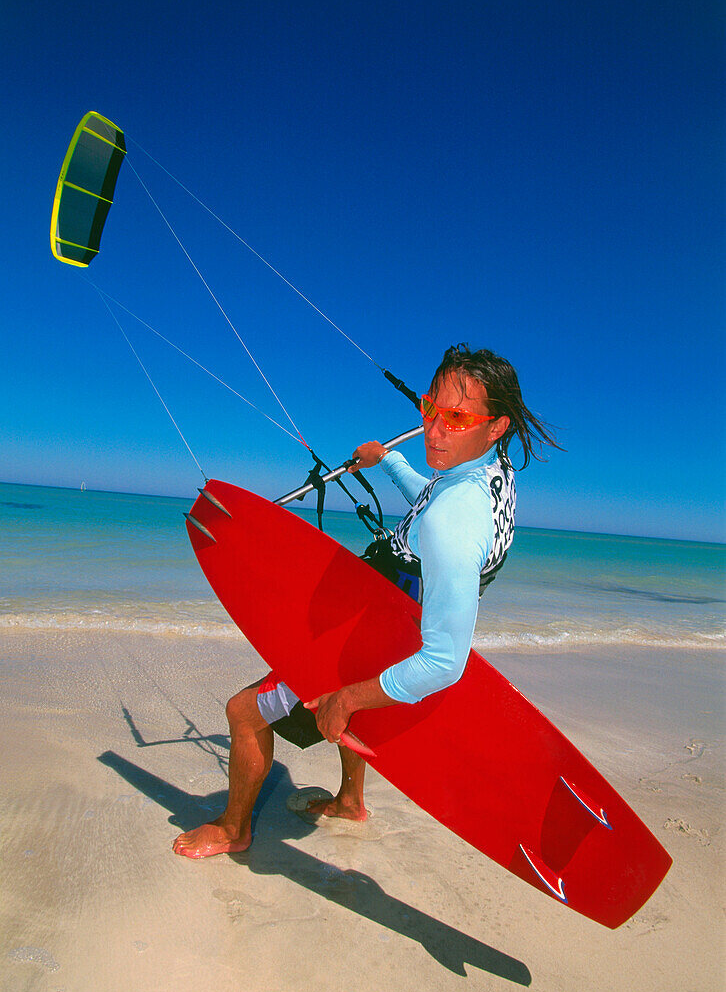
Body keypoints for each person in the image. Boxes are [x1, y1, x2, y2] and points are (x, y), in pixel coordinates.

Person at [172, 344, 558, 858]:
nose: (434, 431)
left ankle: (234, 828)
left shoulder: (455, 522)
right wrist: (391, 462)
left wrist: (347, 696)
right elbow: (434, 498)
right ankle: (351, 799)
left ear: (496, 425)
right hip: (389, 600)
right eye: (429, 409)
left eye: (456, 418)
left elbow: (444, 662)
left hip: (384, 621)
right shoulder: (490, 473)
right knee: (351, 700)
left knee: (244, 712)